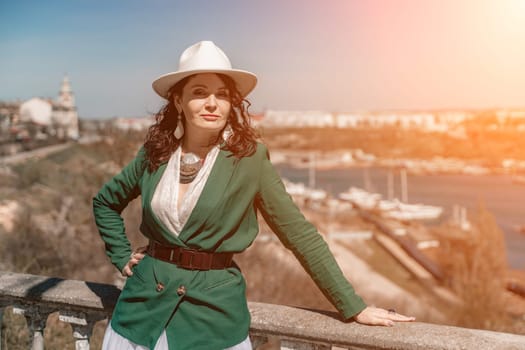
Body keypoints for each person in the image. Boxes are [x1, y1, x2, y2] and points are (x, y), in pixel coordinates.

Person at [93, 40, 415, 350]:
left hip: (210, 318)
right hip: (139, 314)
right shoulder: (156, 155)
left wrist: (352, 305)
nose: (211, 103)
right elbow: (105, 202)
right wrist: (122, 256)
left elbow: (298, 234)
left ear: (232, 103)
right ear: (178, 101)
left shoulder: (249, 159)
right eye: (199, 92)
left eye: (222, 94)